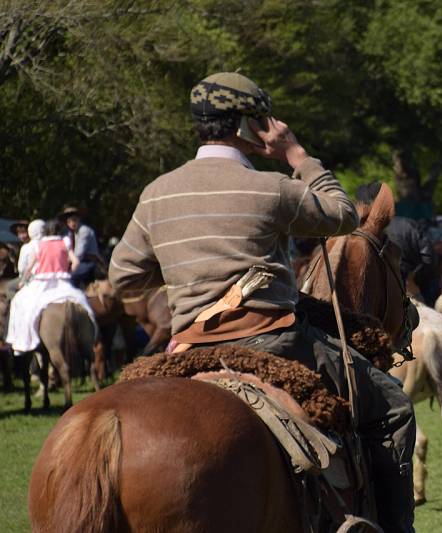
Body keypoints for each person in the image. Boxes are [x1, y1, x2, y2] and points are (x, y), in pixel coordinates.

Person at [108, 72, 415, 532]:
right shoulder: (270, 187)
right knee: (392, 408)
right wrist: (295, 153)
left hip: (188, 348)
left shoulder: (156, 193)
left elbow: (123, 277)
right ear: (248, 126)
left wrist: (183, 267)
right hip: (273, 341)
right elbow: (345, 215)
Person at [6, 220, 95, 355]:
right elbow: (76, 262)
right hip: (63, 283)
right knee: (83, 301)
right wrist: (68, 273)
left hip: (42, 282)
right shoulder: (65, 241)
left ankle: (23, 341)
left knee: (20, 303)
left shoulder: (38, 245)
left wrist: (23, 281)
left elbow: (28, 268)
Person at [355, 182, 436, 290]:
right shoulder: (409, 225)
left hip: (373, 293)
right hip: (411, 289)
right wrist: (413, 279)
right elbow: (429, 259)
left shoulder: (355, 233)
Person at [60, 206, 102, 287]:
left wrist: (66, 262)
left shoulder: (84, 231)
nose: (72, 224)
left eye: (74, 220)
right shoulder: (69, 233)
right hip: (77, 263)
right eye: (69, 222)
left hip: (88, 264)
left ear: (79, 219)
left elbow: (79, 254)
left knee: (69, 278)